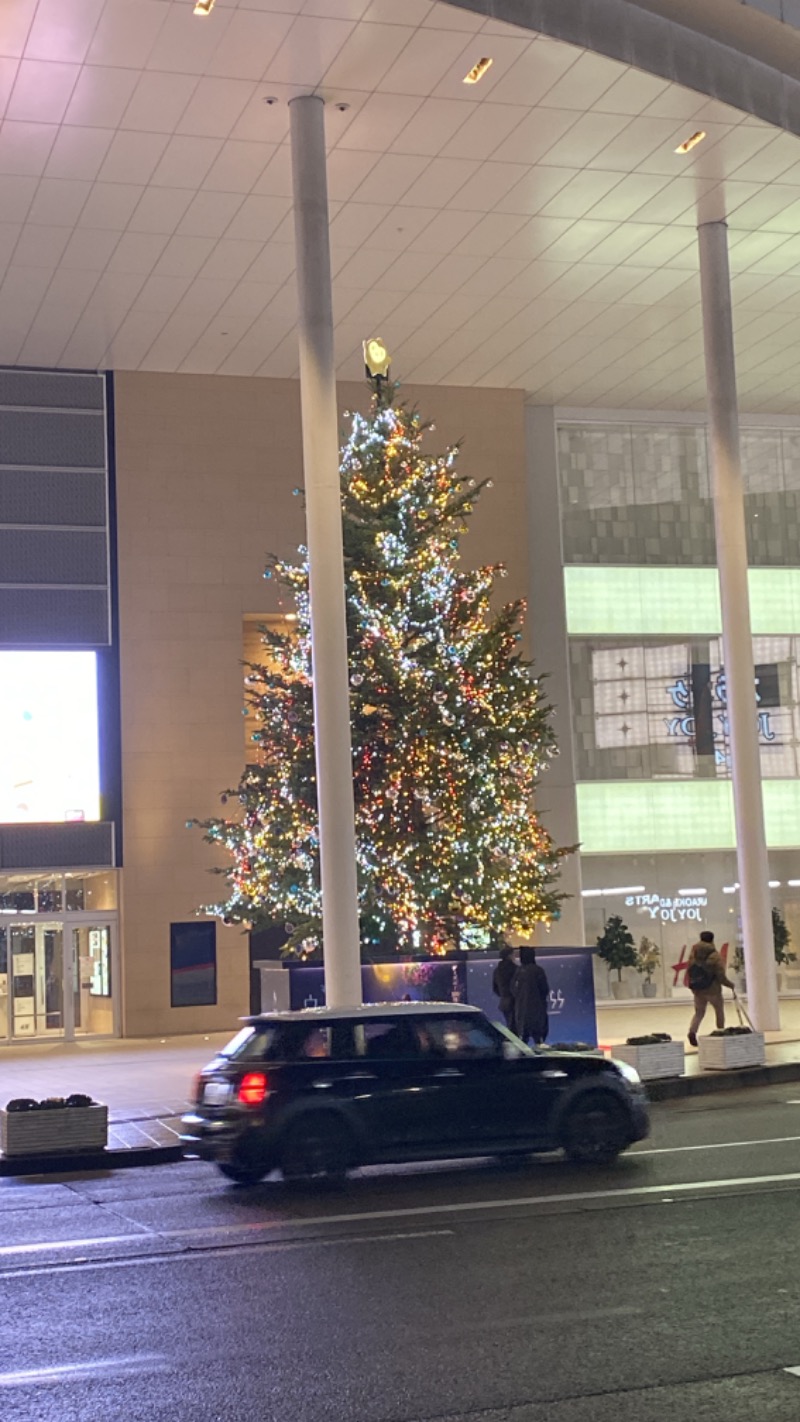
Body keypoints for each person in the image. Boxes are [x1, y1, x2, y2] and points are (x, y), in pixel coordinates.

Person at [686, 930, 734, 1047]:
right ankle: (721, 1032)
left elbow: (690, 970)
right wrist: (729, 984)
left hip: (698, 989)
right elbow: (720, 975)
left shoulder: (693, 954)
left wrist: (692, 986)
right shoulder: (714, 955)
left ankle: (692, 1031)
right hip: (712, 989)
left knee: (699, 1012)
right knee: (719, 1011)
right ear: (712, 939)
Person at [512, 945, 550, 1046]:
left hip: (522, 1008)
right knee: (538, 1037)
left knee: (523, 1037)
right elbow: (544, 989)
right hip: (537, 1008)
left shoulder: (519, 972)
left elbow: (513, 989)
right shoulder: (538, 970)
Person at [491, 944, 517, 1031]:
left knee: (510, 1025)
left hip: (504, 1002)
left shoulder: (497, 970)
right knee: (516, 1027)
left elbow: (495, 988)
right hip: (515, 1002)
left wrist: (503, 994)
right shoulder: (515, 969)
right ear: (509, 955)